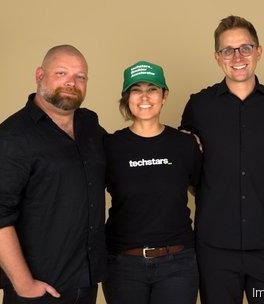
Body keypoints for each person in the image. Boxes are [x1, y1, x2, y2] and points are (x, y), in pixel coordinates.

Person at [0, 45, 106, 304]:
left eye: (80, 77)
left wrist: (173, 142)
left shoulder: (90, 126)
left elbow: (122, 161)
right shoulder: (11, 137)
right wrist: (23, 283)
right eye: (61, 73)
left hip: (86, 282)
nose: (71, 82)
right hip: (39, 289)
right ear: (39, 76)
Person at [179, 15, 264, 304]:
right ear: (217, 58)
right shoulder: (199, 105)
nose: (237, 57)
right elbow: (186, 164)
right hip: (214, 247)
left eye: (245, 47)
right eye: (227, 50)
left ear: (258, 51)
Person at [102, 60, 202, 304]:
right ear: (127, 97)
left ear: (164, 95)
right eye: (137, 90)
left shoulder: (184, 144)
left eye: (152, 89)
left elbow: (203, 191)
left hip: (178, 264)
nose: (144, 96)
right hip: (123, 265)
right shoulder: (110, 146)